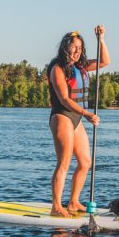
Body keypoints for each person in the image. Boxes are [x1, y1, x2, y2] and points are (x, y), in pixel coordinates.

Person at [46, 27, 109, 216]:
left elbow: (105, 61)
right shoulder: (57, 68)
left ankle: (73, 202)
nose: (77, 51)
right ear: (65, 47)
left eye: (80, 48)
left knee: (85, 162)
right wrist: (87, 114)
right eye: (73, 47)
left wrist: (101, 39)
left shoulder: (81, 67)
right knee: (64, 163)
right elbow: (64, 99)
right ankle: (56, 207)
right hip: (62, 116)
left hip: (76, 118)